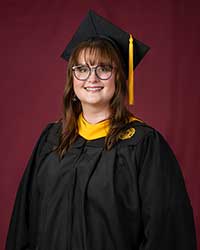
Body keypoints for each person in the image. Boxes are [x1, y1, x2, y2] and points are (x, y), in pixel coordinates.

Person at [6, 10, 197, 250]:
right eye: (82, 69)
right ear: (72, 78)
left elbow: (166, 232)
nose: (92, 78)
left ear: (119, 77)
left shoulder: (143, 145)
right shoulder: (51, 139)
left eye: (104, 68)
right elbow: (24, 224)